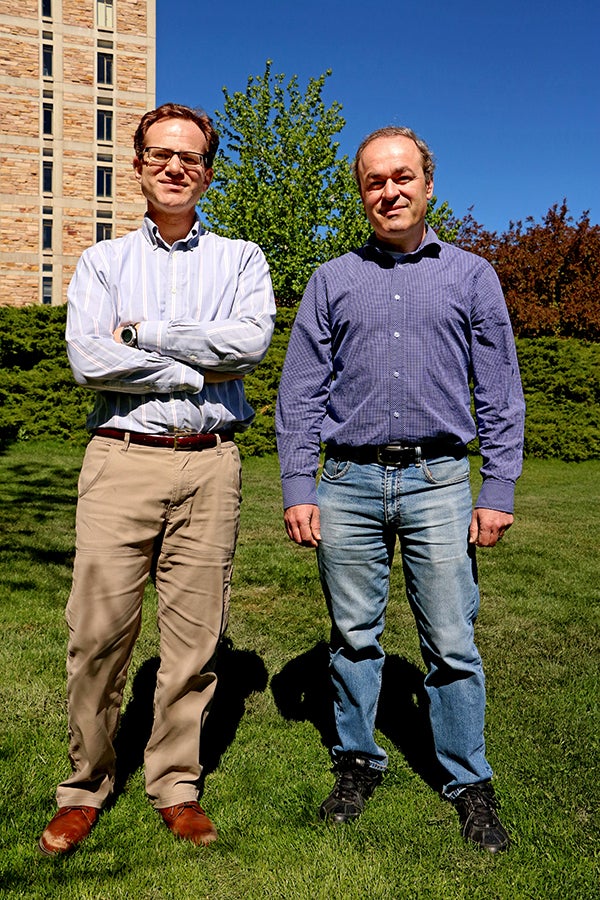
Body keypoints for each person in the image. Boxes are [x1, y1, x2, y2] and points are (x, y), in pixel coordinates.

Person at [276, 126, 524, 853]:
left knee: (451, 641)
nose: (389, 190)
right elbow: (299, 393)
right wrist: (299, 483)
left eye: (402, 176)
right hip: (346, 480)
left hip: (439, 480)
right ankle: (357, 761)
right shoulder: (332, 280)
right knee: (353, 638)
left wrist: (497, 489)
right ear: (361, 194)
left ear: (428, 184)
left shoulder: (472, 275)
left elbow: (502, 393)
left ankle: (468, 781)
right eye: (374, 181)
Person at [39, 103, 275, 855]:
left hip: (211, 463)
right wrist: (193, 363)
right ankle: (84, 788)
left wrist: (147, 337)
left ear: (208, 170)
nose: (176, 167)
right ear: (137, 164)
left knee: (194, 642)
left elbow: (249, 345)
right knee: (97, 636)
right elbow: (89, 361)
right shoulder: (102, 263)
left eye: (191, 156)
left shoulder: (242, 260)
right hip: (121, 461)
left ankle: (175, 785)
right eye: (161, 154)